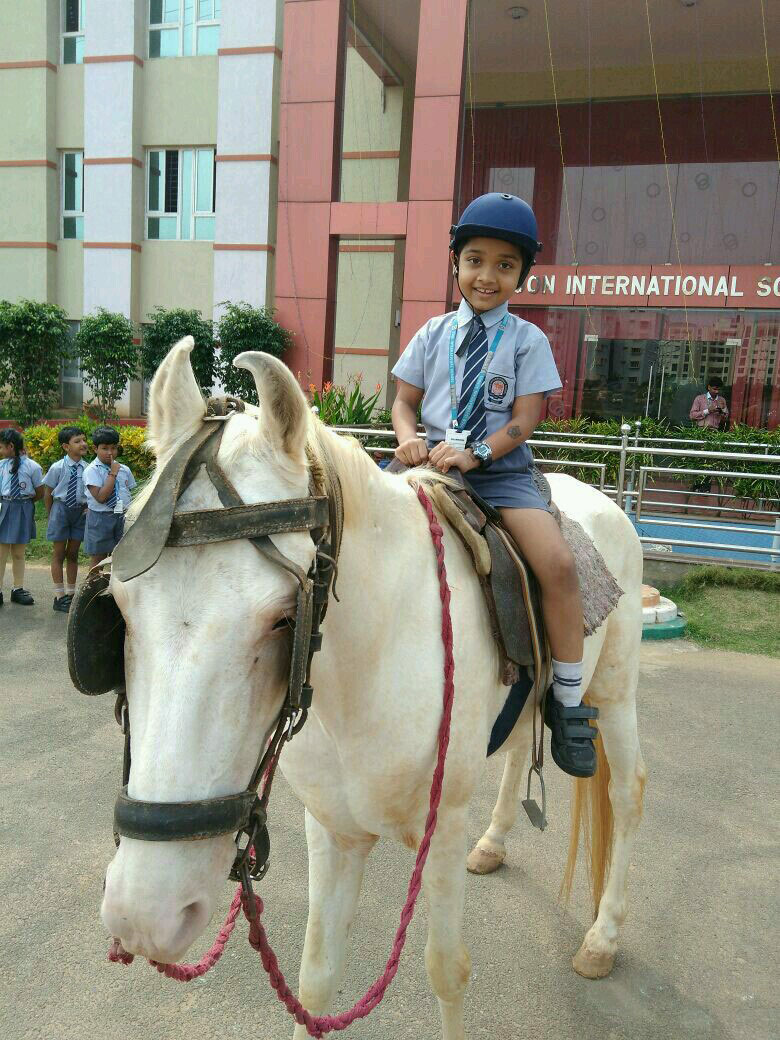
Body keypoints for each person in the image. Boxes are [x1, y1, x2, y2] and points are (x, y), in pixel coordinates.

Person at [391, 192, 598, 778]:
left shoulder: (527, 340)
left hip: (501, 471)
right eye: (476, 259)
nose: (487, 275)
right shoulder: (431, 334)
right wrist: (408, 438)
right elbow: (404, 402)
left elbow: (524, 420)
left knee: (557, 564)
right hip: (427, 459)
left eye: (505, 265)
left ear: (520, 276)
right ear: (456, 263)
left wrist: (477, 453)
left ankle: (568, 700)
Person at [43, 426, 89, 612]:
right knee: (59, 554)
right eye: (77, 441)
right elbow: (48, 493)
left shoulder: (88, 468)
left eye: (84, 440)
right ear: (65, 446)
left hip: (80, 511)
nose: (83, 444)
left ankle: (71, 594)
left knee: (73, 554)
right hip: (60, 510)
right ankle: (59, 596)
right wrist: (50, 514)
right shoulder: (57, 467)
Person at [0, 429, 44, 606]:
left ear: (11, 446)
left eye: (1, 447)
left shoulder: (32, 466)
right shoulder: (1, 466)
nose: (0, 450)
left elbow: (39, 492)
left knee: (18, 553)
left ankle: (18, 589)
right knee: (1, 553)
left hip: (23, 508)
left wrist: (23, 503)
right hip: (4, 507)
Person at [83, 427, 136, 569]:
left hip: (122, 516)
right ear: (95, 449)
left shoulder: (124, 469)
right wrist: (112, 474)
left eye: (113, 448)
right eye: (104, 448)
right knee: (99, 558)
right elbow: (101, 497)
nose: (110, 453)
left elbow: (130, 491)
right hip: (100, 518)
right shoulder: (91, 470)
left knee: (121, 555)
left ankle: (114, 589)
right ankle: (94, 589)